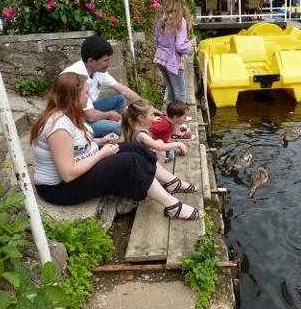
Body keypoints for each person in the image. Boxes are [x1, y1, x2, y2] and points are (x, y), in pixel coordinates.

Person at [30, 72, 203, 220]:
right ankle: (172, 206)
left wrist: (100, 141)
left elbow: (74, 147)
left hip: (79, 172)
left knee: (135, 148)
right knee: (130, 161)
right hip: (61, 189)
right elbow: (67, 174)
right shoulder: (58, 126)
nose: (89, 96)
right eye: (86, 92)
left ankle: (171, 182)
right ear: (73, 96)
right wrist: (101, 154)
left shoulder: (69, 115)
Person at [61, 36, 142, 138]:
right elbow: (91, 116)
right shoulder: (74, 76)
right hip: (74, 121)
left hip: (87, 111)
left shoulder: (98, 70)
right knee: (118, 127)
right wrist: (108, 115)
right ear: (91, 61)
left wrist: (146, 106)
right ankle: (99, 136)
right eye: (106, 60)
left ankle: (104, 132)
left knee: (120, 99)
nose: (110, 63)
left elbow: (122, 90)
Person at [153, 0, 196, 105]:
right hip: (172, 60)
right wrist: (190, 44)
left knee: (171, 90)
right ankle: (180, 118)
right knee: (180, 92)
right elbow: (180, 48)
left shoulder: (161, 19)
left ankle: (170, 115)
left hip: (160, 58)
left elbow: (157, 39)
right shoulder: (179, 21)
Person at [121, 99, 188, 166]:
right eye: (151, 115)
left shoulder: (138, 126)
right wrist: (178, 144)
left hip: (141, 154)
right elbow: (159, 147)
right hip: (140, 161)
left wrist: (152, 120)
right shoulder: (141, 134)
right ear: (140, 118)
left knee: (160, 142)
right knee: (163, 153)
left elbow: (147, 128)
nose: (154, 116)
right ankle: (154, 174)